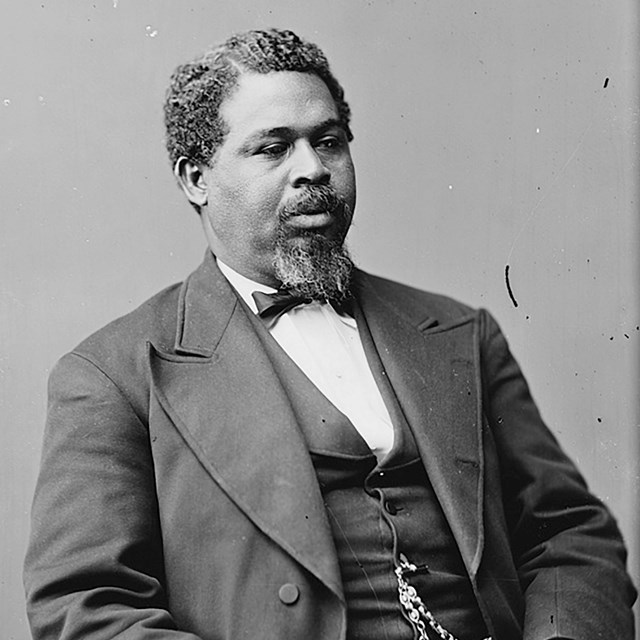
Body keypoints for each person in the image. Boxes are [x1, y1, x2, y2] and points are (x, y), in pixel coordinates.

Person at [24, 28, 635, 640]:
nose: (313, 168)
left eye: (329, 141)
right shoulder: (116, 375)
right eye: (272, 148)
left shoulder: (460, 333)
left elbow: (570, 533)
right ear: (195, 180)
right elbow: (88, 609)